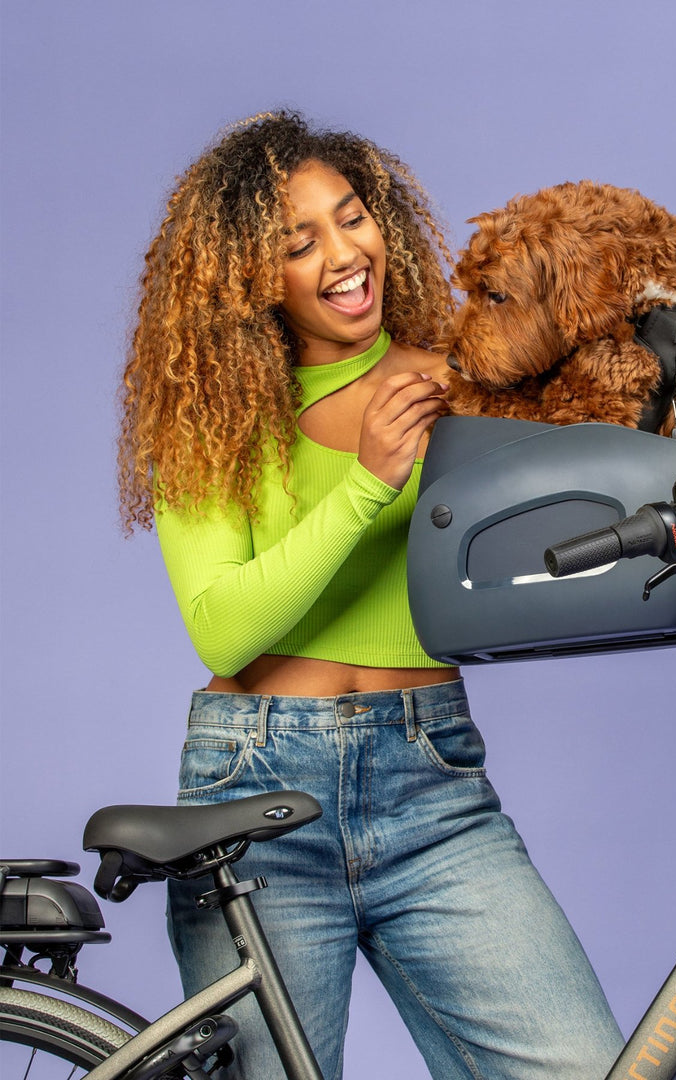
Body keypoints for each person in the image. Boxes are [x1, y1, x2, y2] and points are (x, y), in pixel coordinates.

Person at [117, 111, 624, 1080]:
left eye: (353, 218)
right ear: (248, 280)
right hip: (257, 799)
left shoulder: (459, 387)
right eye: (298, 243)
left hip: (431, 785)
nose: (345, 254)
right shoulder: (214, 418)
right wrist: (367, 487)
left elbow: (586, 512)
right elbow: (223, 628)